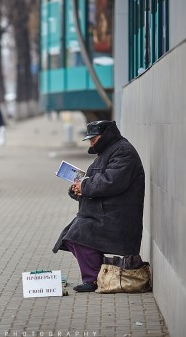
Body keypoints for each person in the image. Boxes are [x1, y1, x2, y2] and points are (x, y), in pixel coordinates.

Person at [52, 120, 145, 292]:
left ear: (106, 135)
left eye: (94, 139)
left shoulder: (123, 151)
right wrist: (78, 190)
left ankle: (94, 278)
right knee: (73, 235)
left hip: (117, 216)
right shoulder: (108, 152)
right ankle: (96, 276)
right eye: (90, 139)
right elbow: (94, 182)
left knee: (77, 235)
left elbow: (111, 182)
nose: (91, 143)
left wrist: (84, 187)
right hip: (104, 212)